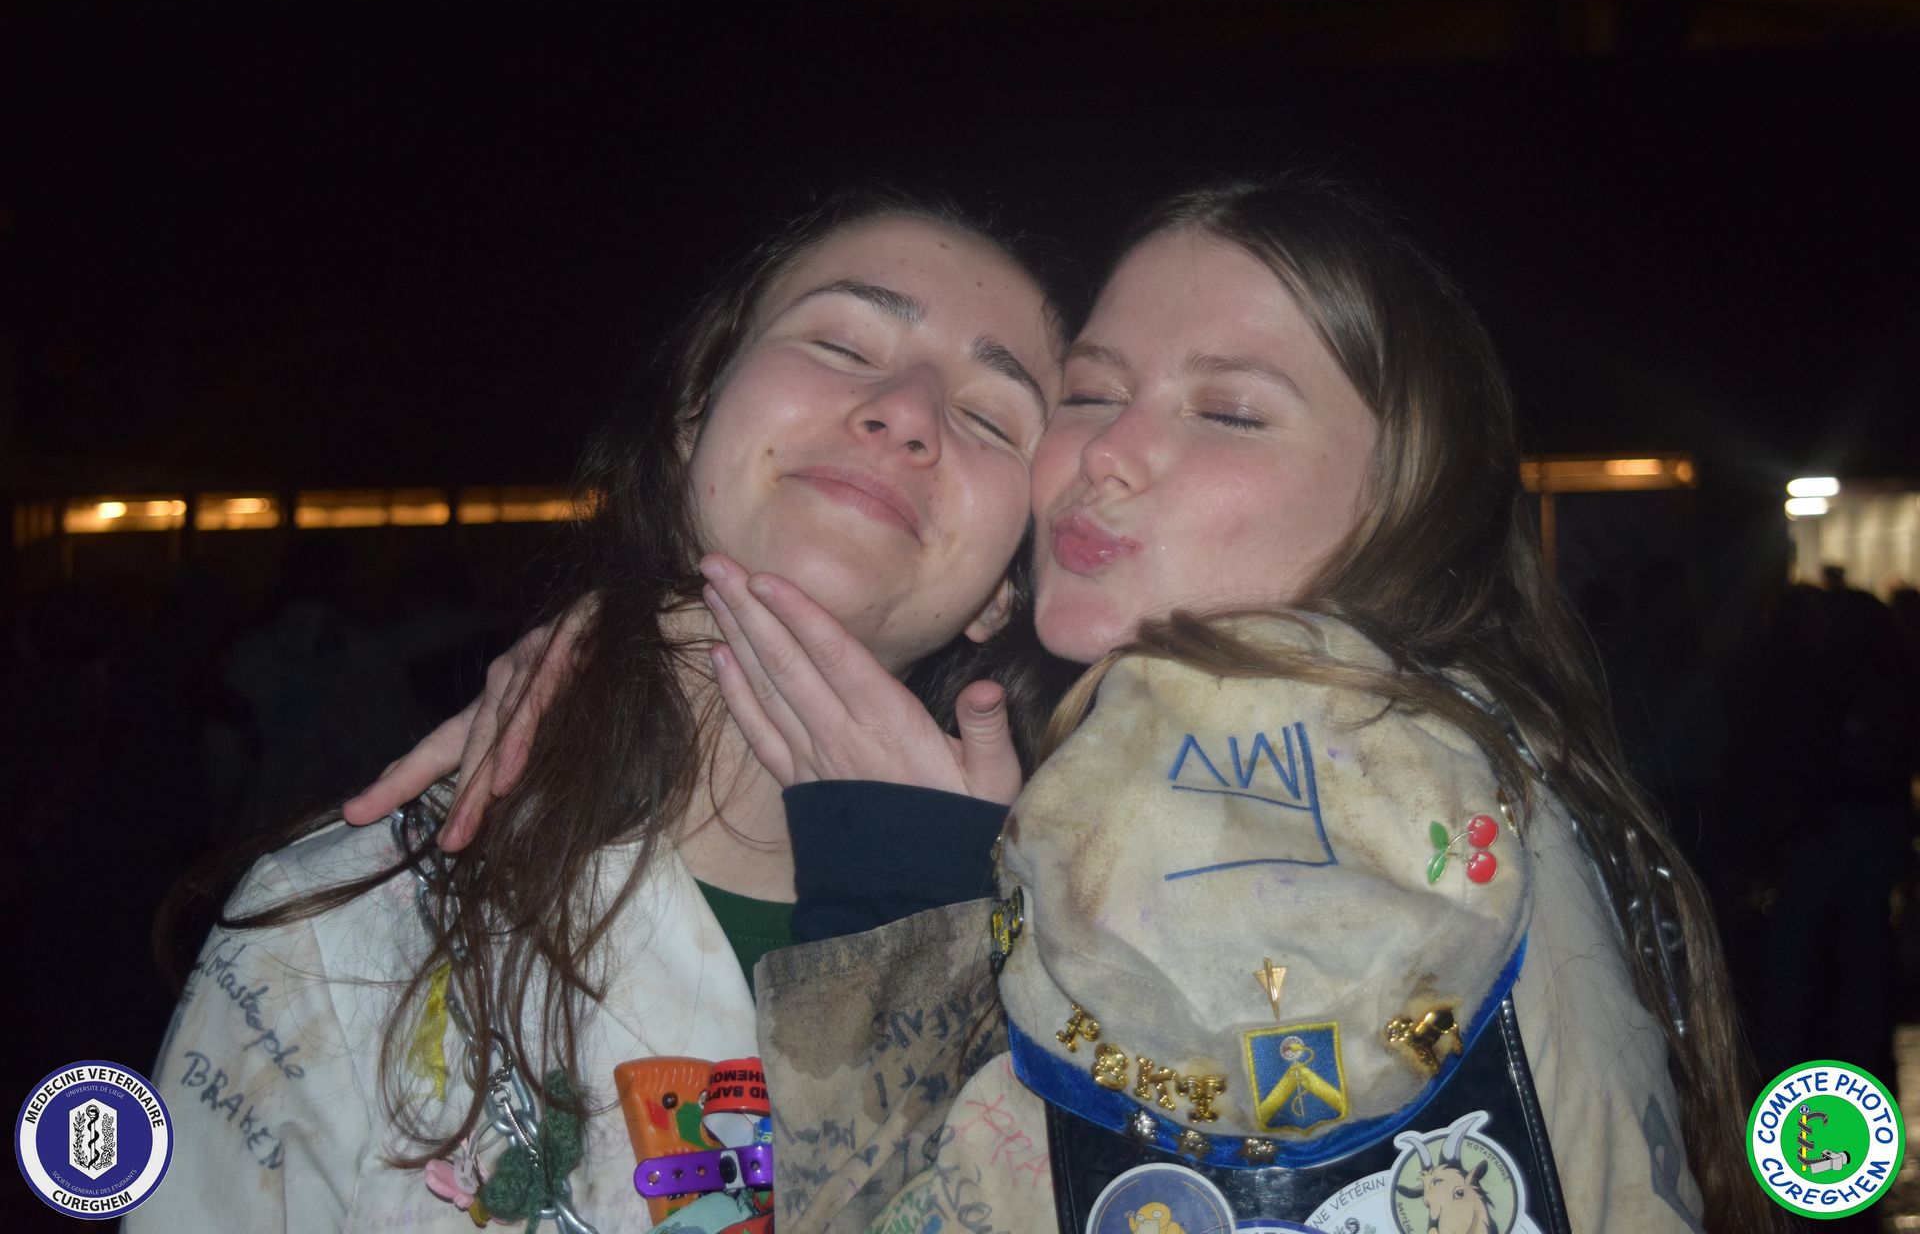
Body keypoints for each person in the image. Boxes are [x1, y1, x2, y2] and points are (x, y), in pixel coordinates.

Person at [359, 176, 1770, 1232]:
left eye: (1230, 410)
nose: (1112, 456)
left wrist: (907, 919)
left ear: (1408, 497)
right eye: (1091, 394)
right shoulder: (1362, 753)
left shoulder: (1266, 775)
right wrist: (651, 631)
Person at [133, 185, 1072, 1234]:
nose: (908, 410)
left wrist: (937, 944)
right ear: (689, 423)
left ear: (1007, 588)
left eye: (991, 416)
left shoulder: (1087, 989)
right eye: (843, 344)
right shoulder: (349, 930)